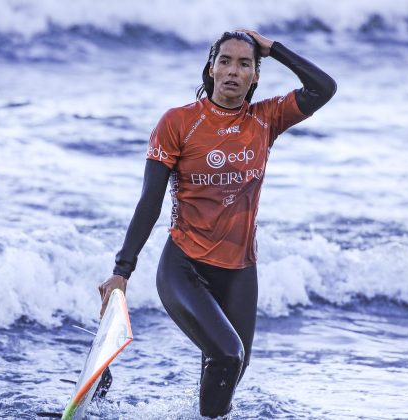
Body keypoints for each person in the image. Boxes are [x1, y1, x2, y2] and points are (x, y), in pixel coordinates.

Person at [98, 29, 336, 418]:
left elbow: (324, 88)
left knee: (229, 370)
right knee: (228, 355)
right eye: (224, 61)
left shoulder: (266, 118)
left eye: (244, 64)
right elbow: (149, 202)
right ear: (210, 69)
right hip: (184, 266)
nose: (232, 71)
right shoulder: (178, 123)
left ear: (255, 76)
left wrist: (273, 49)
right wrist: (121, 271)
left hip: (240, 271)